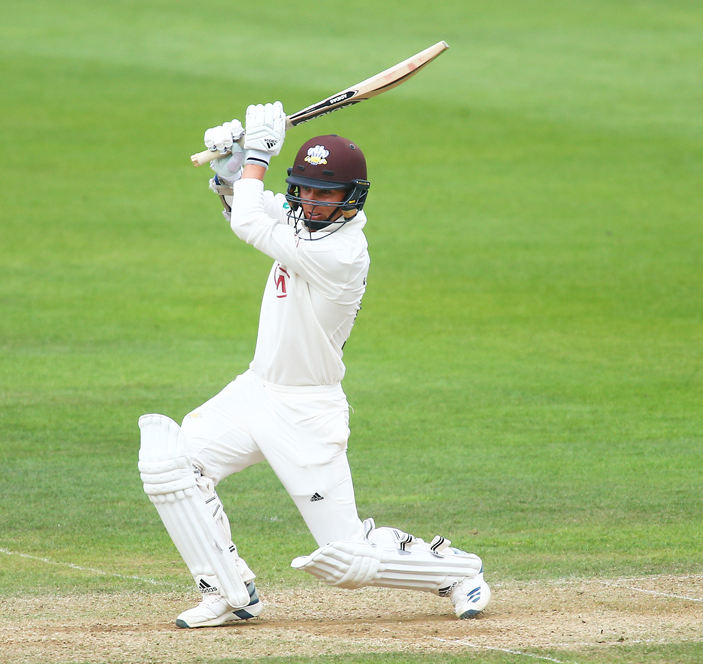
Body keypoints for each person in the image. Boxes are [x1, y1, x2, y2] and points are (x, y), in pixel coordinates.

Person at [137, 102, 490, 628]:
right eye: (304, 190)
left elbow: (251, 221)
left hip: (307, 410)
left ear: (352, 197)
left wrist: (257, 155)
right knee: (171, 466)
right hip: (255, 391)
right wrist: (230, 171)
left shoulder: (343, 253)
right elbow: (249, 205)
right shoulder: (302, 220)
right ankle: (229, 592)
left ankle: (459, 571)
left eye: (325, 194)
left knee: (346, 559)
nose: (312, 202)